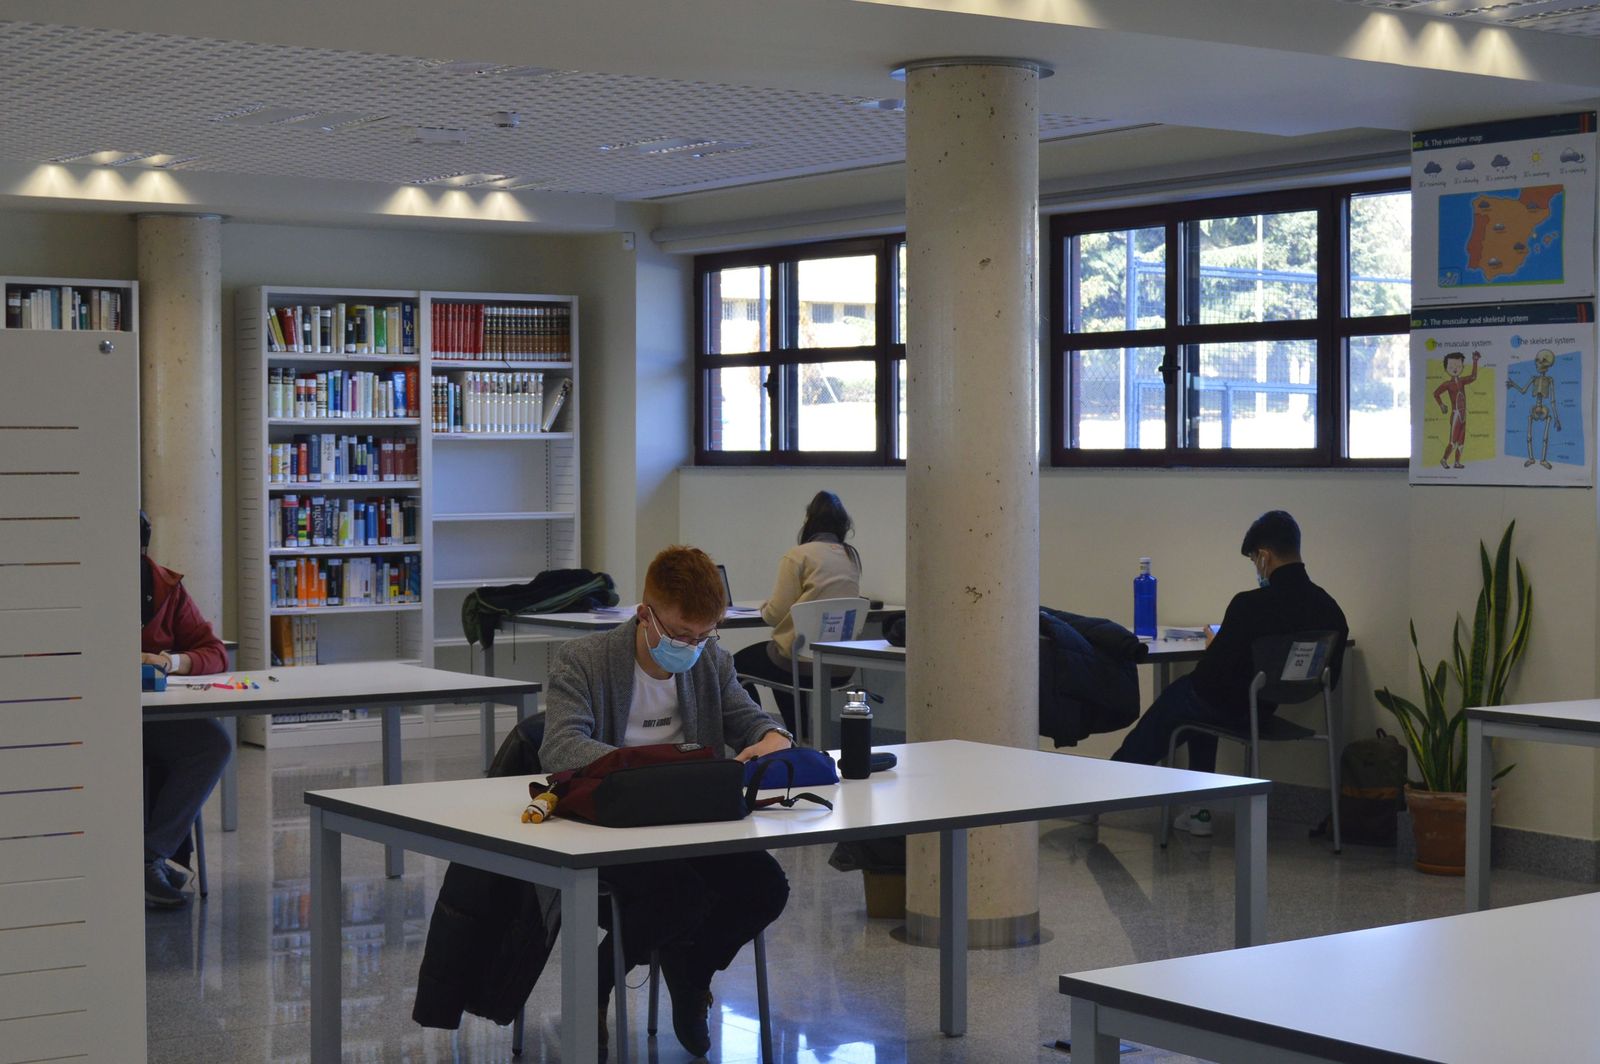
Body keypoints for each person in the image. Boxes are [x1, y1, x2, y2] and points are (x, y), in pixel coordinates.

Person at [541, 545, 795, 1057]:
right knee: (679, 895)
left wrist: (773, 737)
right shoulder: (585, 662)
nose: (693, 646)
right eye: (681, 635)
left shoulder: (711, 662)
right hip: (612, 826)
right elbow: (561, 746)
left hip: (691, 823)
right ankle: (597, 982)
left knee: (767, 888)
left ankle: (690, 969)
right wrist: (650, 769)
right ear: (645, 615)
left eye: (705, 635)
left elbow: (753, 720)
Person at [1111, 511, 1347, 836]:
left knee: (1182, 701)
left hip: (1231, 704)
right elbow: (1330, 680)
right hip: (1264, 709)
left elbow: (1211, 676)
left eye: (1253, 560)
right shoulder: (1329, 608)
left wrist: (1216, 644)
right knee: (1198, 712)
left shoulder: (1250, 605)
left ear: (1263, 556)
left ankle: (1102, 791)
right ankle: (1198, 810)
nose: (1256, 568)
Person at [139, 510, 231, 908]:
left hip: (153, 715)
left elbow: (215, 653)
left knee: (212, 743)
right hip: (91, 716)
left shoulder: (164, 586)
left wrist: (168, 661)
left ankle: (148, 856)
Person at [733, 490, 863, 736]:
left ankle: (756, 735)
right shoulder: (850, 556)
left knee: (735, 667)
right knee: (786, 656)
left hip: (801, 664)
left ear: (809, 520)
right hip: (841, 665)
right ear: (843, 524)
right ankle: (797, 735)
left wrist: (764, 607)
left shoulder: (798, 555)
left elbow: (774, 614)